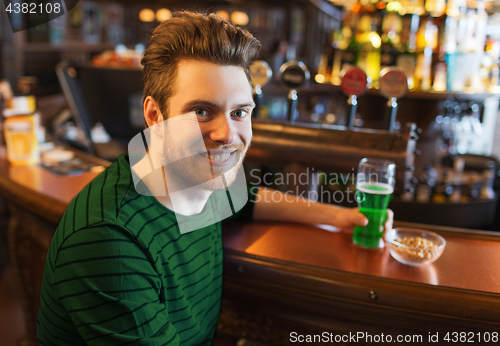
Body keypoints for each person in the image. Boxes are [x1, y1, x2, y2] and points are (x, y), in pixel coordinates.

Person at [37, 11, 392, 345]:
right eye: (202, 112)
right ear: (155, 115)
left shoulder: (188, 179)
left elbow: (245, 199)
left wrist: (340, 217)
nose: (228, 133)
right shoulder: (109, 242)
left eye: (240, 112)